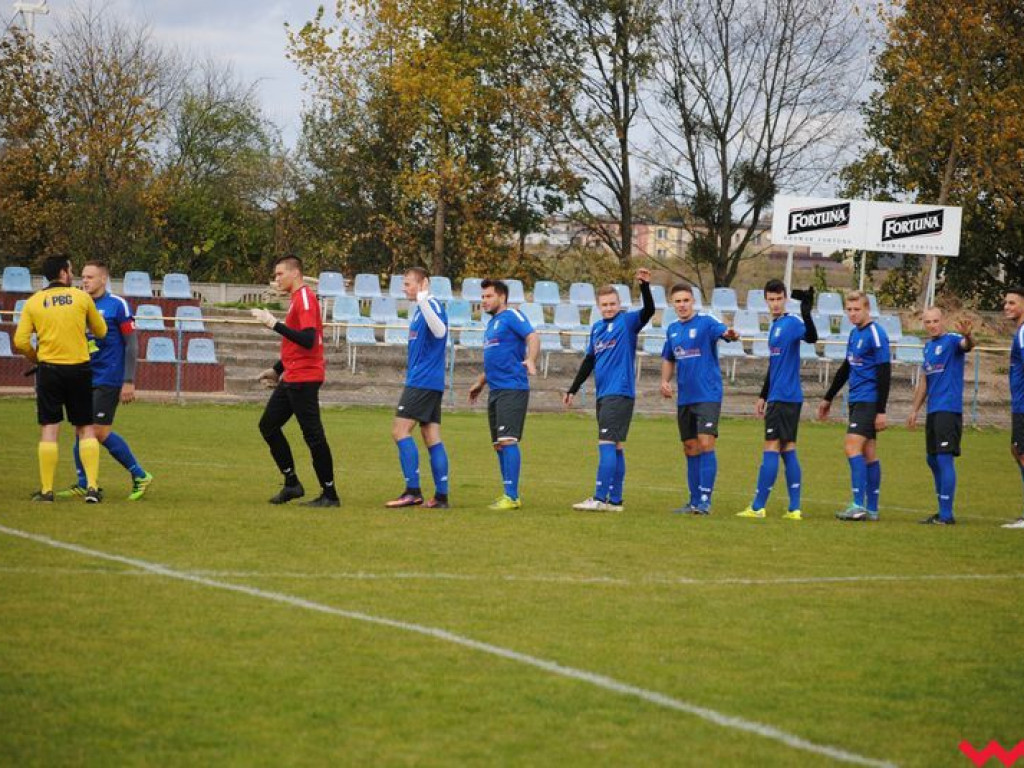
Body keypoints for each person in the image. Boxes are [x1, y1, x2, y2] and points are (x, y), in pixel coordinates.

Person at [56, 261, 153, 501]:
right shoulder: (79, 302)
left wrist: (128, 380)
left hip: (109, 377)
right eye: (83, 276)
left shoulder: (117, 305)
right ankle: (83, 483)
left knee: (96, 431)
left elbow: (131, 344)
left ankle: (140, 474)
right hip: (82, 375)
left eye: (90, 277)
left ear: (103, 279)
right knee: (81, 428)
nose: (85, 280)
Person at [14, 255, 107, 503]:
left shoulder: (33, 302)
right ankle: (92, 488)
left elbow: (20, 342)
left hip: (49, 371)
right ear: (64, 273)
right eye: (72, 269)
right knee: (85, 427)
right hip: (79, 369)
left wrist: (36, 357)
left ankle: (46, 490)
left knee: (49, 428)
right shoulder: (81, 298)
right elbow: (101, 331)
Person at [563, 269, 655, 511]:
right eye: (604, 305)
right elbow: (589, 361)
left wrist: (644, 287)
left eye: (612, 303)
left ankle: (599, 498)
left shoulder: (626, 322)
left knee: (605, 443)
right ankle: (615, 501)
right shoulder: (596, 328)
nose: (609, 308)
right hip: (604, 394)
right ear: (598, 306)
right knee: (616, 445)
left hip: (619, 392)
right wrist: (573, 389)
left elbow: (649, 312)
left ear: (619, 303)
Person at [252, 255, 340, 507]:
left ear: (295, 273)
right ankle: (292, 483)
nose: (276, 279)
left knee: (313, 436)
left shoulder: (304, 298)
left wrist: (273, 324)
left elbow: (308, 339)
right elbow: (296, 343)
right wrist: (276, 369)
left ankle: (330, 494)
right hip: (292, 375)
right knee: (268, 425)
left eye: (280, 274)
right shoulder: (296, 299)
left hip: (305, 377)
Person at [737, 281, 818, 520]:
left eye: (778, 299)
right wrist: (763, 395)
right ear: (765, 300)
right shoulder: (775, 326)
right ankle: (794, 509)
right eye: (770, 300)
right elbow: (775, 366)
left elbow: (812, 337)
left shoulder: (791, 323)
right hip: (782, 396)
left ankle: (757, 506)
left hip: (784, 397)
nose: (774, 304)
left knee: (771, 447)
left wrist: (806, 311)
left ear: (784, 298)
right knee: (788, 448)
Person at [659, 283, 740, 515]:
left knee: (706, 443)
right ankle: (693, 501)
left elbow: (724, 332)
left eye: (686, 300)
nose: (682, 305)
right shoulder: (673, 330)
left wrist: (731, 334)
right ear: (672, 304)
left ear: (693, 301)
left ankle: (705, 500)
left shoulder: (706, 322)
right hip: (685, 397)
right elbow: (668, 358)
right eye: (678, 301)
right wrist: (665, 381)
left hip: (708, 394)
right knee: (690, 446)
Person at [817, 291, 891, 522]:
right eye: (849, 310)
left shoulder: (875, 333)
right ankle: (872, 509)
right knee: (869, 454)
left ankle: (858, 505)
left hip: (869, 400)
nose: (852, 313)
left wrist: (881, 410)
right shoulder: (853, 334)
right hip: (857, 399)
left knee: (851, 448)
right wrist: (828, 397)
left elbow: (884, 372)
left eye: (856, 309)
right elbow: (846, 368)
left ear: (867, 308)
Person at [468, 279, 539, 510]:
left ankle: (512, 495)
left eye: (488, 296)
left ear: (502, 297)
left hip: (512, 388)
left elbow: (532, 336)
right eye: (482, 297)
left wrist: (531, 358)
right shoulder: (491, 325)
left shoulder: (512, 316)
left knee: (508, 440)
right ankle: (507, 493)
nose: (484, 301)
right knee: (499, 444)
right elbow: (496, 360)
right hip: (495, 389)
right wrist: (480, 382)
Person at [385, 267, 451, 509]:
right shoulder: (421, 309)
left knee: (400, 431)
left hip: (422, 382)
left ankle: (412, 491)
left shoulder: (430, 305)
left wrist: (423, 300)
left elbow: (441, 331)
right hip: (429, 381)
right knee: (431, 435)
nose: (405, 288)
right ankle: (441, 497)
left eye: (408, 283)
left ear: (423, 283)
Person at [906, 307, 974, 525]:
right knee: (932, 459)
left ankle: (946, 514)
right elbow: (925, 381)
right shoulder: (928, 348)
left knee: (944, 458)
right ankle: (941, 510)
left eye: (936, 321)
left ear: (943, 320)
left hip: (949, 409)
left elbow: (968, 346)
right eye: (928, 322)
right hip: (933, 410)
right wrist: (915, 410)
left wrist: (968, 335)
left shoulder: (953, 340)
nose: (932, 325)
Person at [1003, 287, 1024, 529]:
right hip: (1019, 404)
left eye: (1012, 303)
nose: (1007, 307)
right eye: (1006, 303)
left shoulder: (1022, 333)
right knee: (1016, 450)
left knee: (1021, 453)